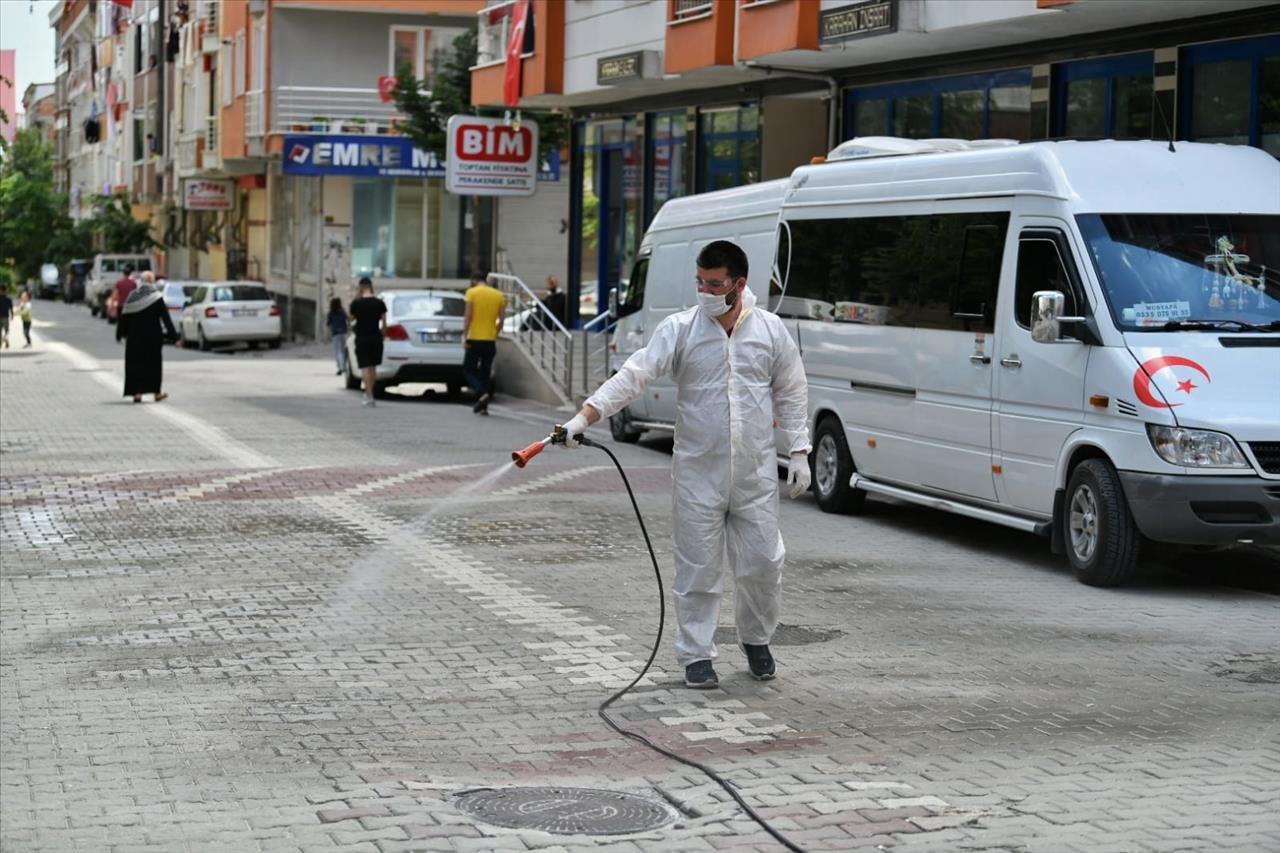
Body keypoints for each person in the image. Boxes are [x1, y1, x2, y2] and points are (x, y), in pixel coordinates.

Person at [556, 240, 811, 689]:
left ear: (739, 284)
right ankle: (696, 654)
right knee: (698, 568)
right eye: (700, 282)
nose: (706, 291)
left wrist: (800, 452)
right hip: (698, 474)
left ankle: (756, 638)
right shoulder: (681, 329)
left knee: (763, 564)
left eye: (715, 284)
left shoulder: (770, 332)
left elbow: (791, 391)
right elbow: (634, 376)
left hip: (754, 476)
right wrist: (584, 417)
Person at [116, 281, 180, 402]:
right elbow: (166, 319)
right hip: (153, 338)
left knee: (135, 365)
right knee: (154, 366)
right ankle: (157, 393)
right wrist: (175, 338)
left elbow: (123, 318)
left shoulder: (132, 298)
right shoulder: (156, 298)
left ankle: (137, 393)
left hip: (135, 339)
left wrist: (122, 334)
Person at [462, 272, 506, 415]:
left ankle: (482, 394)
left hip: (474, 338)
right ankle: (484, 407)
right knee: (485, 373)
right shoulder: (499, 295)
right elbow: (502, 319)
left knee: (469, 369)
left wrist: (465, 335)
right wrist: (495, 333)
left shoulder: (471, 293)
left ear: (474, 281)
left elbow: (468, 315)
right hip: (490, 340)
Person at [348, 277, 387, 407]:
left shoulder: (356, 303)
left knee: (364, 367)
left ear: (360, 287)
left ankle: (369, 396)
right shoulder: (379, 303)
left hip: (362, 338)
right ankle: (370, 394)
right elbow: (384, 324)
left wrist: (356, 297)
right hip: (375, 338)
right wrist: (383, 335)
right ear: (371, 287)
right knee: (373, 368)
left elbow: (351, 319)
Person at [326, 296, 349, 376]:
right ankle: (344, 366)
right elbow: (347, 319)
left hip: (335, 333)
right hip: (343, 332)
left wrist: (329, 333)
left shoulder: (331, 313)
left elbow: (328, 324)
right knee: (343, 350)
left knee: (337, 351)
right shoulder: (342, 311)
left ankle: (340, 367)